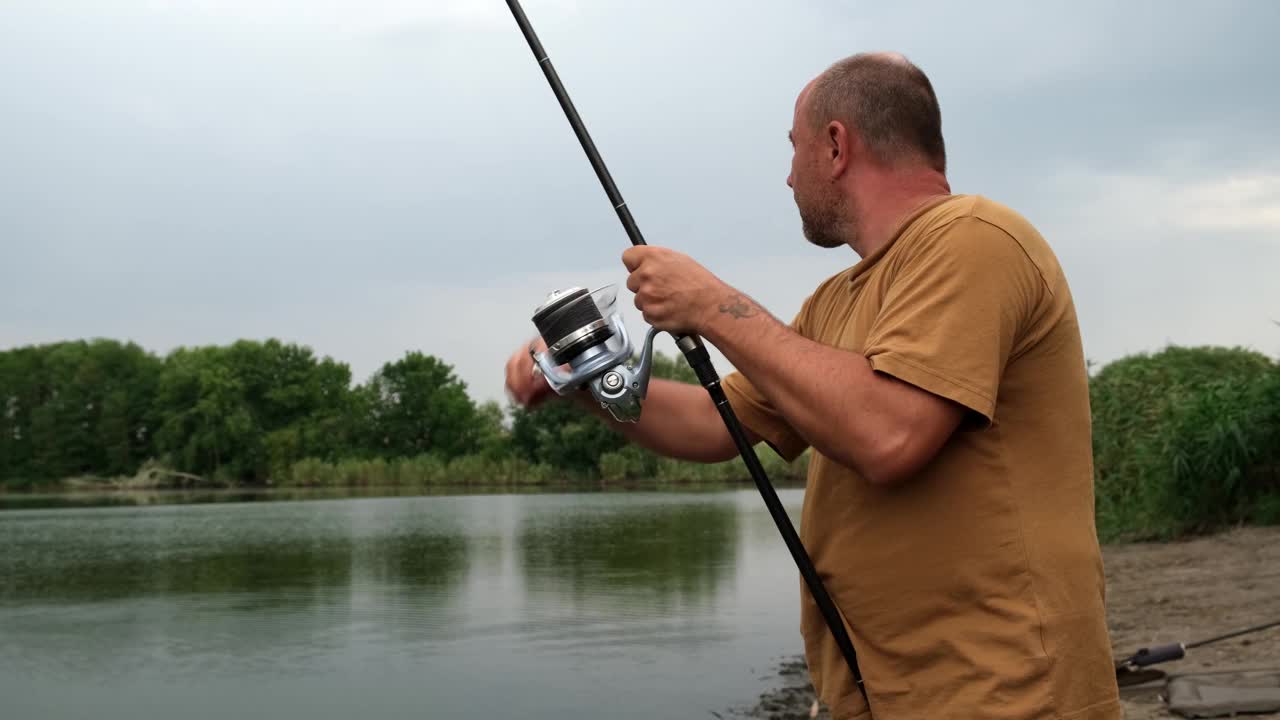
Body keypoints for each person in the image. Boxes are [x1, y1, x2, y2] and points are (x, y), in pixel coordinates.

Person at [505, 52, 1121, 720]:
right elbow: (718, 425)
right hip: (892, 693)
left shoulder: (973, 239)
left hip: (1004, 691)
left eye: (794, 149)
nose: (788, 175)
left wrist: (712, 306)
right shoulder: (835, 302)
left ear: (835, 145)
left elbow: (890, 434)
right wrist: (584, 381)